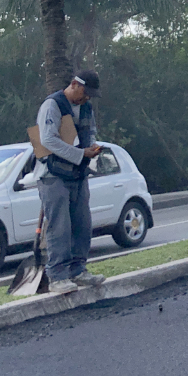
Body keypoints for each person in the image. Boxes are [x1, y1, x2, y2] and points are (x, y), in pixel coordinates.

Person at [36, 71, 107, 294]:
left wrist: (93, 148)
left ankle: (78, 271)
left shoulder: (86, 107)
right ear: (74, 84)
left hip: (78, 174)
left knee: (82, 224)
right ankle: (57, 277)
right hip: (53, 175)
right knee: (60, 227)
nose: (86, 99)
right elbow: (47, 139)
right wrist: (80, 154)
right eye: (84, 94)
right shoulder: (52, 105)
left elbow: (91, 130)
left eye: (89, 96)